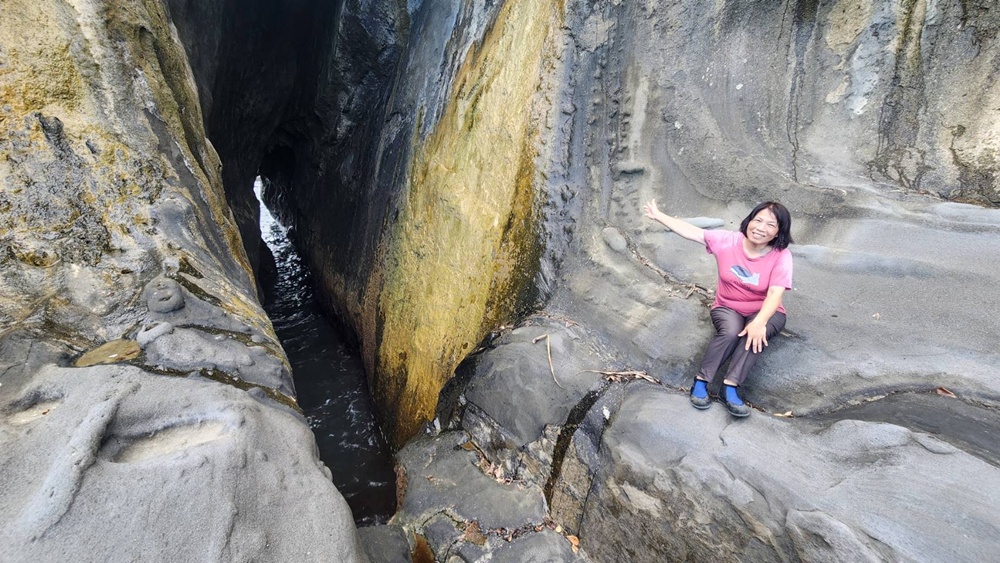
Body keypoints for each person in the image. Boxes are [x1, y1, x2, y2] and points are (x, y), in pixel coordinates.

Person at [643, 200, 793, 417]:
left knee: (755, 334)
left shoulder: (781, 255)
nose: (761, 228)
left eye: (770, 224)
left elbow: (775, 293)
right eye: (757, 220)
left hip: (765, 310)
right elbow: (693, 232)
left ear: (779, 231)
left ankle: (730, 387)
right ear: (749, 221)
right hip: (727, 306)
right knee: (731, 332)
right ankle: (702, 381)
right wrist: (659, 215)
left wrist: (759, 322)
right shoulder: (727, 241)